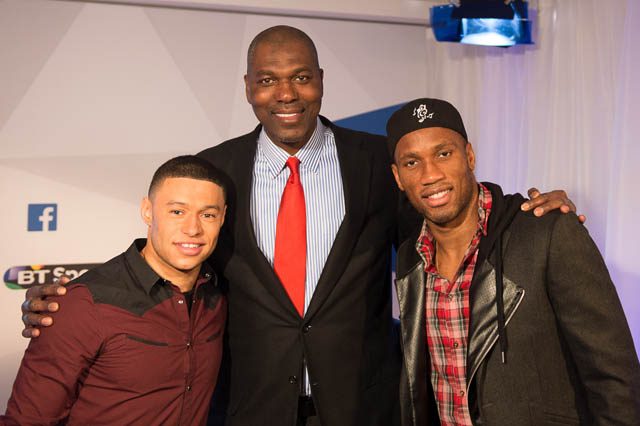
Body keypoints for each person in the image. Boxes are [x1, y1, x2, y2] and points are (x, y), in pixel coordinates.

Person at [18, 27, 581, 426]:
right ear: (248, 87)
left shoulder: (377, 162)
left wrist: (521, 211)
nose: (285, 94)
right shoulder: (217, 169)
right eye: (267, 80)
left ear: (321, 81)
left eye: (300, 78)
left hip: (364, 406)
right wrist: (72, 303)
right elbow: (176, 252)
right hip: (250, 406)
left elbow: (449, 214)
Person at [387, 98, 640, 426]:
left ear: (470, 155)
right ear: (398, 177)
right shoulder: (412, 257)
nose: (430, 174)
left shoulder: (546, 233)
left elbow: (615, 380)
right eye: (412, 162)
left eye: (444, 153)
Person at [2, 156, 228, 426]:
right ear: (147, 211)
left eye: (207, 215)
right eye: (177, 212)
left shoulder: (217, 297)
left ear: (222, 217)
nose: (193, 229)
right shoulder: (82, 303)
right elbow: (27, 420)